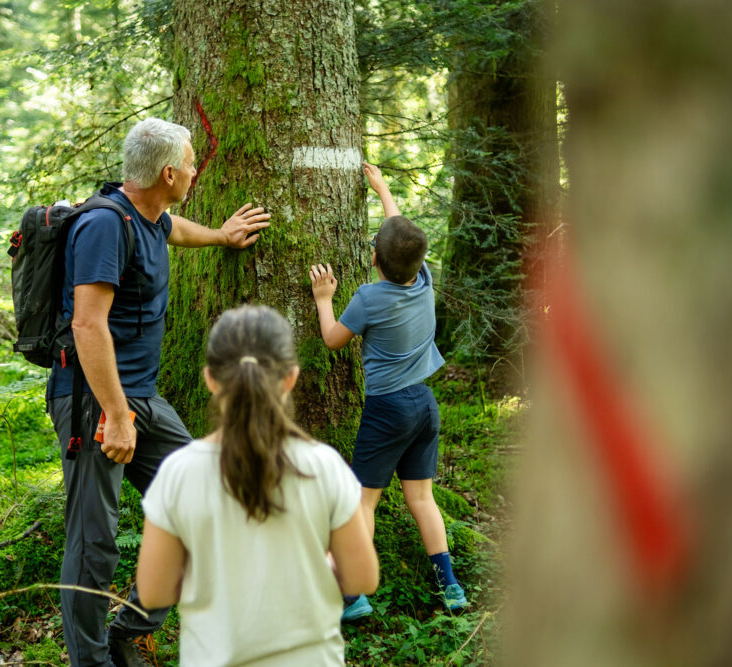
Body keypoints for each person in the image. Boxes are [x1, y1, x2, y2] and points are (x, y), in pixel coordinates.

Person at [46, 118, 271, 667]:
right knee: (94, 541)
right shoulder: (104, 226)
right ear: (169, 173)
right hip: (94, 402)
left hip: (141, 397)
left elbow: (174, 230)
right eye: (191, 164)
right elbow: (87, 325)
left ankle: (130, 631)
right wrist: (117, 414)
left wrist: (221, 235)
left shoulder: (148, 216)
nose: (196, 172)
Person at [136, 305, 379, 666]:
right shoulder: (324, 466)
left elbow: (154, 592)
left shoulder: (178, 472)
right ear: (291, 377)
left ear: (210, 379)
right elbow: (362, 578)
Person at [308, 162, 467, 622]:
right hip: (424, 405)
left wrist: (323, 300)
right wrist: (382, 190)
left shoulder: (368, 298)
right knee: (422, 499)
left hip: (388, 409)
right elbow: (402, 237)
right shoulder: (423, 280)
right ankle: (450, 586)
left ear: (373, 258)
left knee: (363, 501)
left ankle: (352, 593)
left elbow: (333, 339)